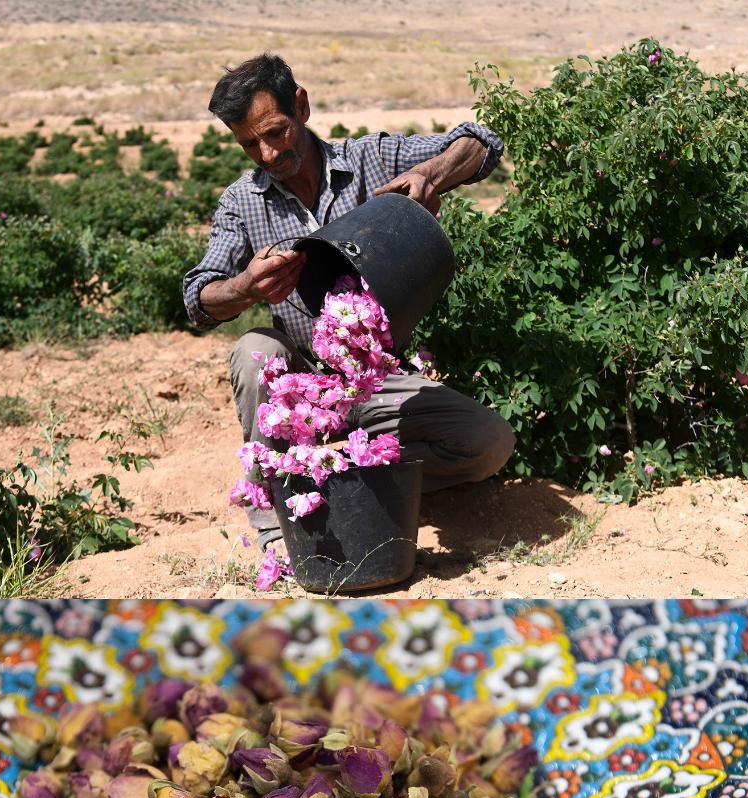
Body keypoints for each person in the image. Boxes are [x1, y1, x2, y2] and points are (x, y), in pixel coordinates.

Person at [183, 53, 515, 550]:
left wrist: (431, 175)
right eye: (250, 144)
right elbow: (199, 297)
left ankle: (355, 476)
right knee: (255, 349)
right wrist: (245, 287)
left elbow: (480, 143)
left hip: (379, 378)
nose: (268, 154)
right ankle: (276, 520)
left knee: (489, 443)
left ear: (302, 106)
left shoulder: (370, 158)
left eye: (276, 132)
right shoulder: (241, 202)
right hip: (300, 389)